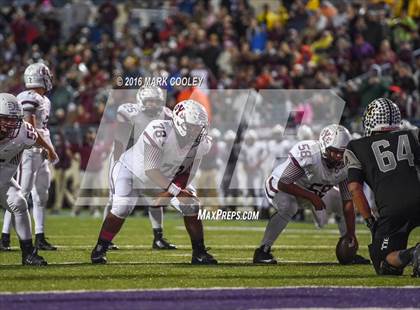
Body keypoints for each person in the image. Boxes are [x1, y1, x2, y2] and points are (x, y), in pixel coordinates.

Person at [90, 100, 217, 265]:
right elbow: (151, 170)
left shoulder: (202, 143)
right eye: (193, 126)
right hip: (131, 172)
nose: (198, 130)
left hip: (165, 177)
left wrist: (173, 191)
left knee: (191, 204)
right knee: (122, 207)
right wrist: (174, 191)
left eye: (200, 126)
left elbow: (188, 173)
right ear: (179, 122)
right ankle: (100, 248)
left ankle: (199, 253)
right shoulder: (159, 130)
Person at [253, 124, 369, 265]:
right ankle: (262, 251)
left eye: (342, 152)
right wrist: (312, 197)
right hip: (280, 185)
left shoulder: (346, 163)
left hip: (312, 191)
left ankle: (350, 252)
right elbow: (284, 183)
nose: (338, 156)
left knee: (340, 203)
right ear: (324, 147)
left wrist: (351, 234)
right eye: (334, 151)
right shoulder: (310, 154)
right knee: (289, 206)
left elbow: (347, 201)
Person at [345, 98, 420, 276]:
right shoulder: (413, 135)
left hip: (392, 209)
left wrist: (370, 220)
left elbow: (355, 188)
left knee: (384, 264)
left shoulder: (356, 147)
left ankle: (413, 254)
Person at [102, 86, 176, 250]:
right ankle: (106, 240)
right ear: (140, 101)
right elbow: (120, 142)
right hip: (123, 158)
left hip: (149, 160)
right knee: (115, 199)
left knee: (155, 198)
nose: (152, 104)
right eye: (148, 101)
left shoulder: (167, 114)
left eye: (155, 101)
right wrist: (116, 167)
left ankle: (158, 238)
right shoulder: (129, 112)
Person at [1, 63, 58, 251]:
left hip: (40, 147)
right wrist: (50, 148)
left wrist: (47, 147)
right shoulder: (27, 97)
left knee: (41, 193)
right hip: (28, 150)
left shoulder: (44, 99)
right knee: (21, 193)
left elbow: (35, 130)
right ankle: (5, 236)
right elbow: (30, 126)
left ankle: (39, 235)